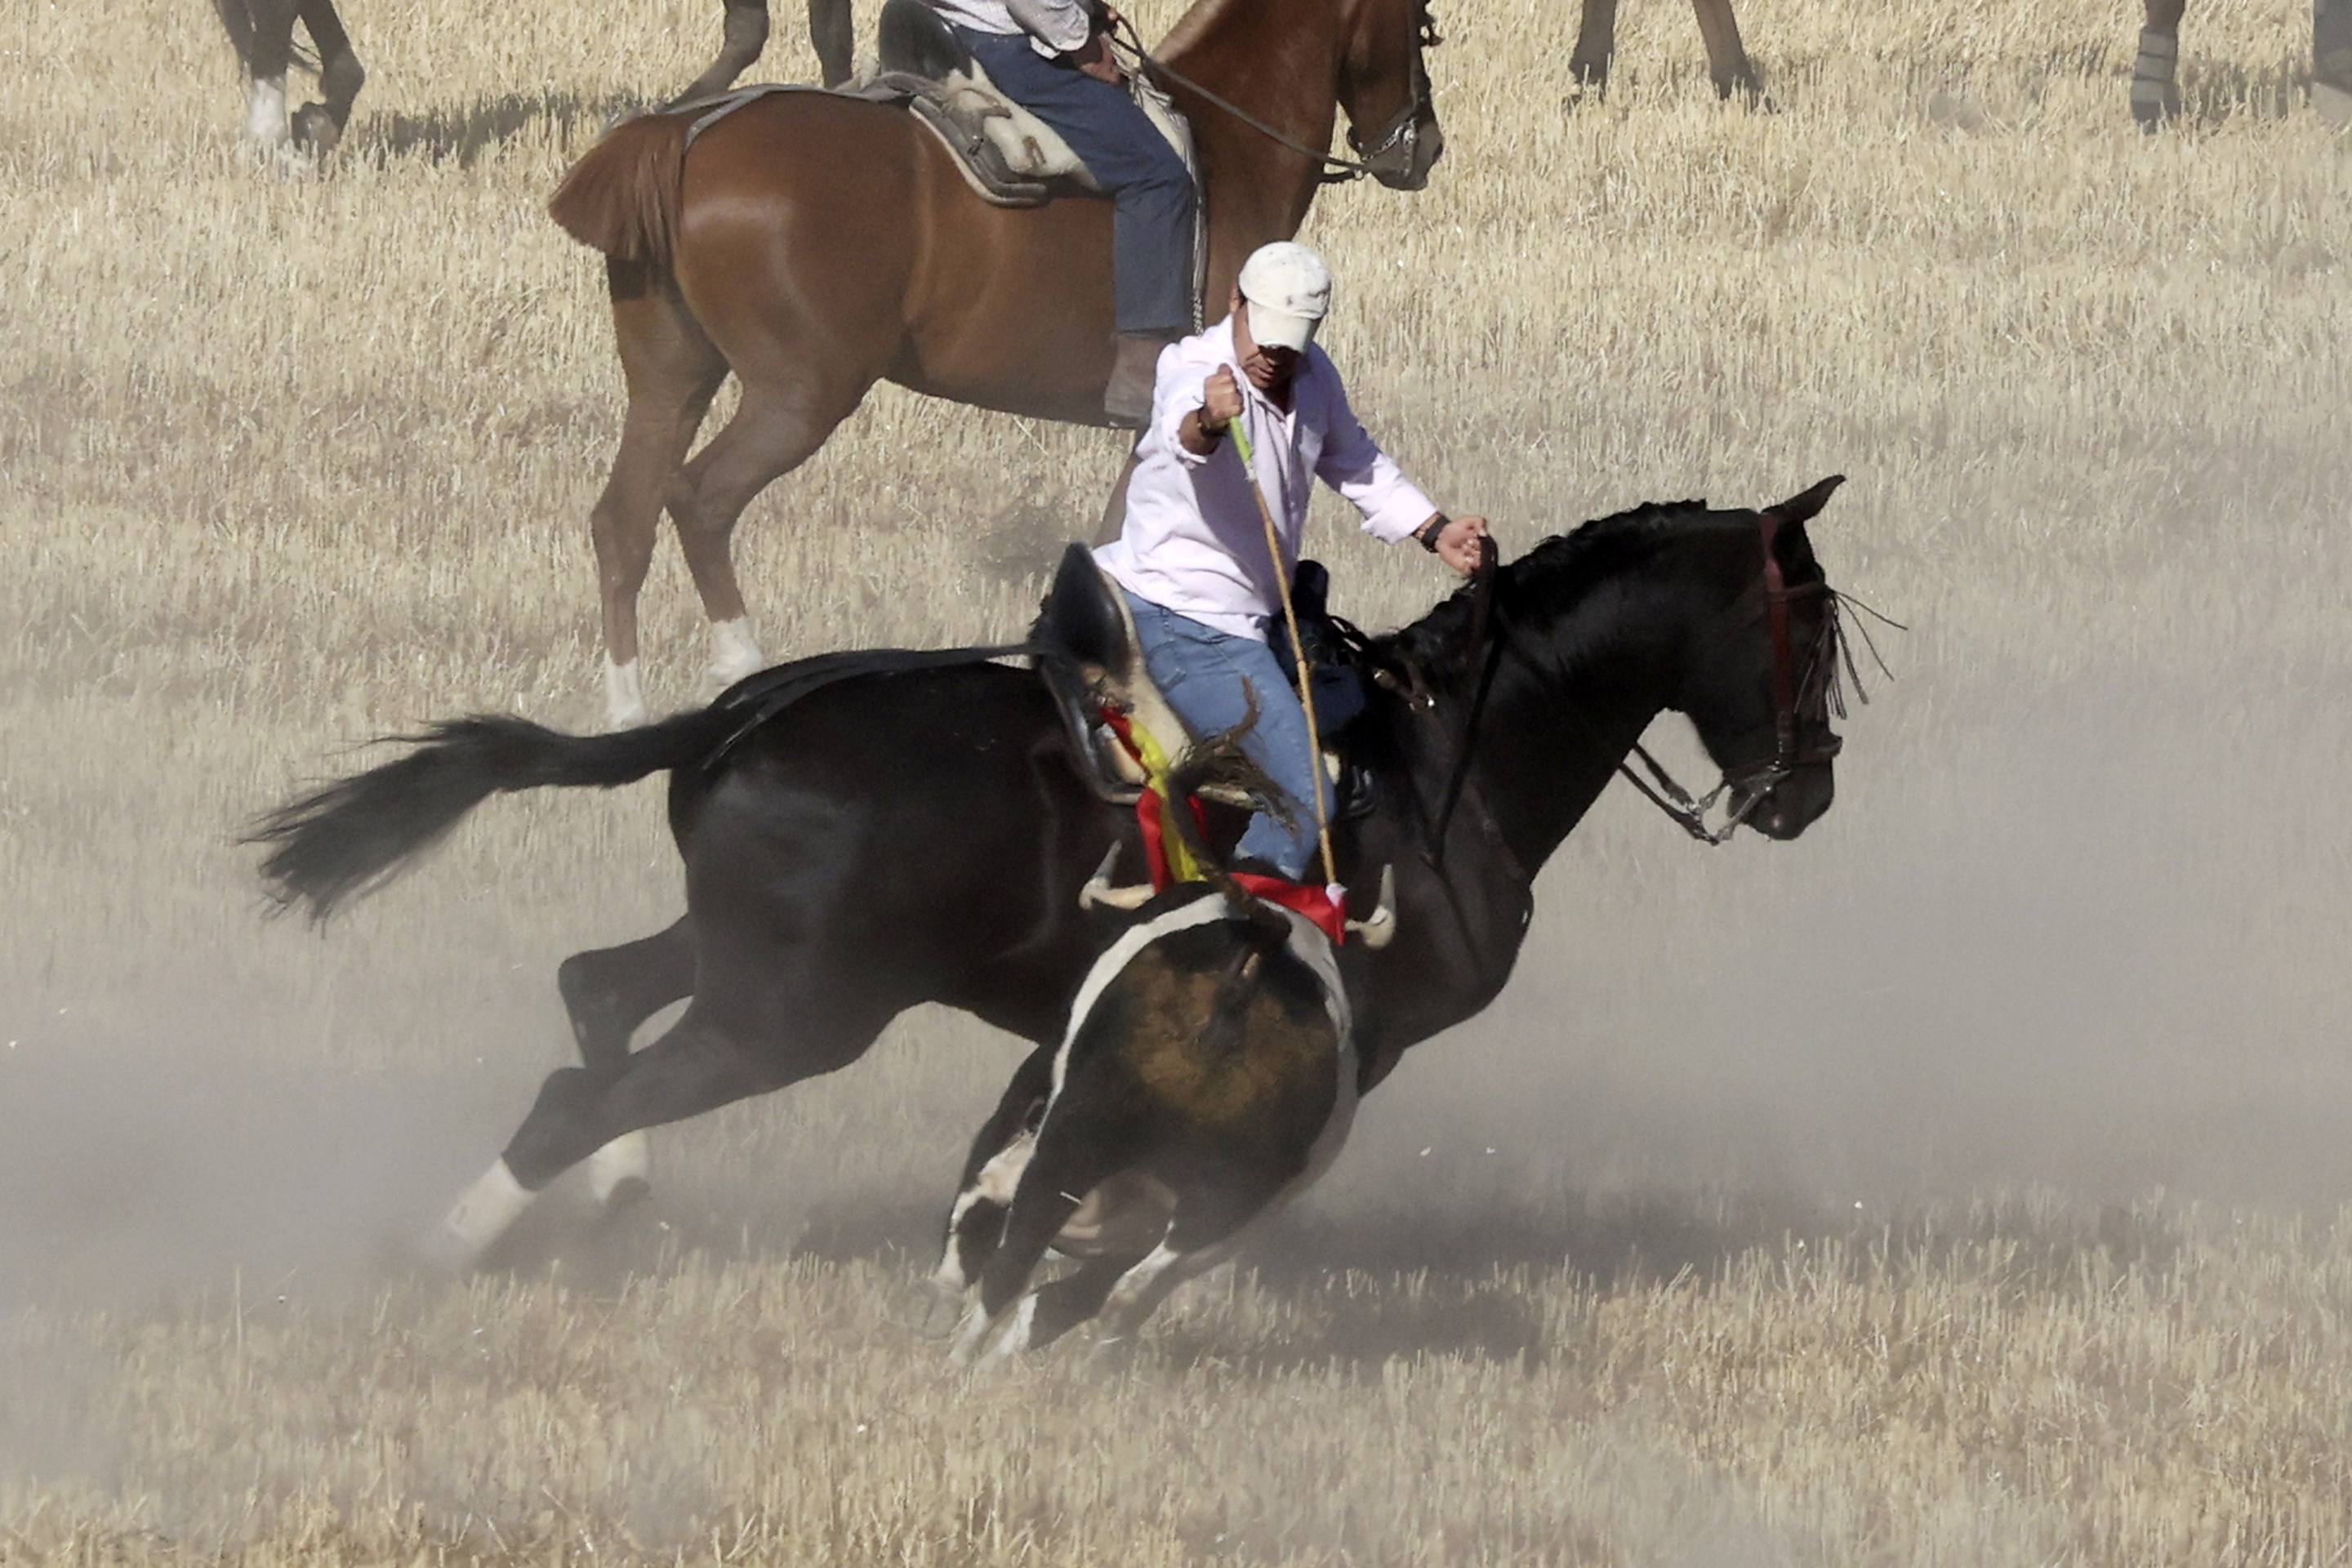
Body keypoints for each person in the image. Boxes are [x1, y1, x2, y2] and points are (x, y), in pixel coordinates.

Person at [1094, 241, 1490, 886]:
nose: (1273, 357)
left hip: (1256, 616)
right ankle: (1242, 934)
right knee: (1306, 797)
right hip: (1191, 622)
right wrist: (1210, 420)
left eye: (1290, 343)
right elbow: (1183, 437)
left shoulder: (1313, 377)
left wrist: (1434, 529)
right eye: (1264, 336)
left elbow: (1354, 459)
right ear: (1235, 304)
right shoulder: (1195, 367)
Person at [925, 0, 1194, 422]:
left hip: (933, 24)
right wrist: (1082, 43)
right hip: (1000, 43)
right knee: (1157, 177)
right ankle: (1142, 363)